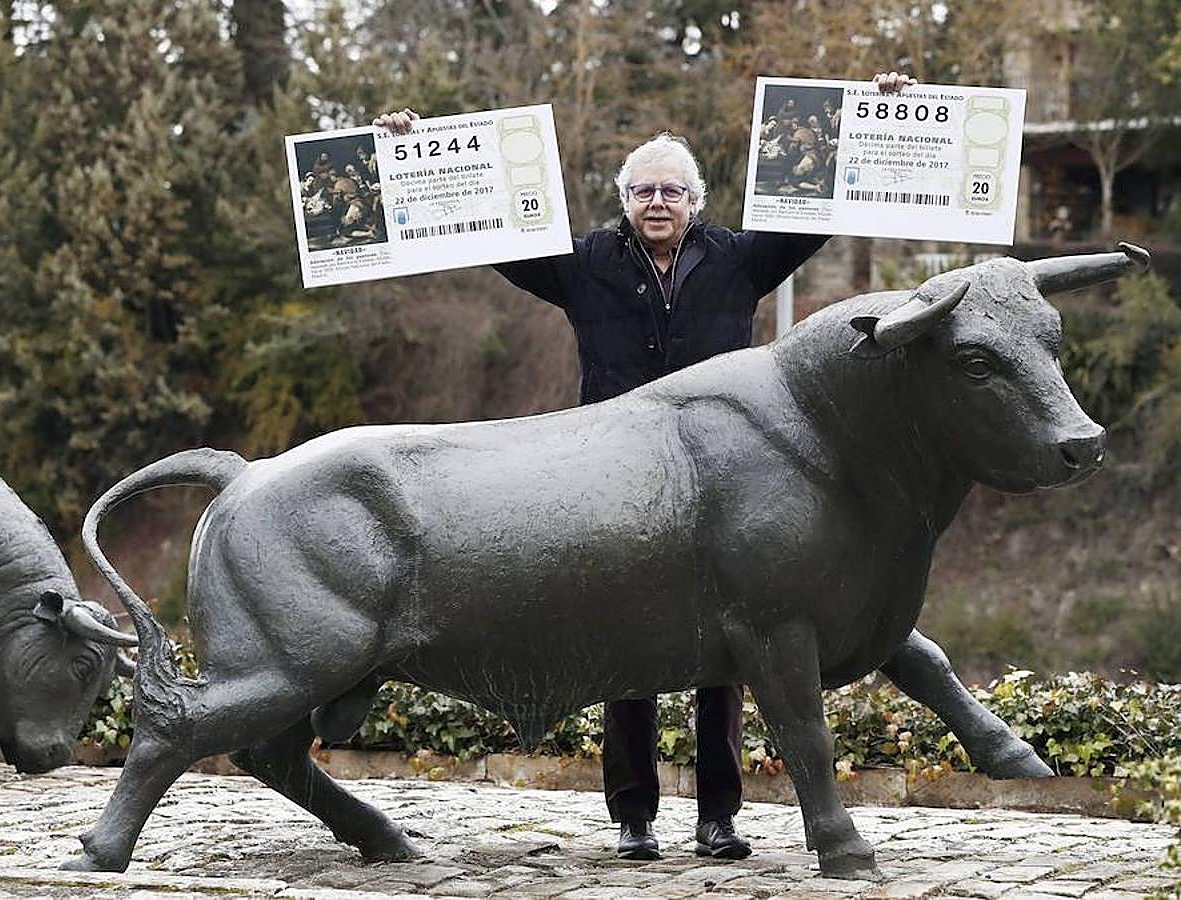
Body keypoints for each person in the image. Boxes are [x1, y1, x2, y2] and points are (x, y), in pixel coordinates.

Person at [372, 71, 915, 862]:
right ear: (623, 199)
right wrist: (411, 152)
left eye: (671, 191)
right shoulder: (586, 262)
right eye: (643, 191)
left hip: (724, 486)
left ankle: (719, 819)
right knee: (624, 654)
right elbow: (492, 235)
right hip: (619, 485)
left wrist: (875, 114)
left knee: (725, 667)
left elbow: (818, 213)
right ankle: (634, 819)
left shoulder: (739, 259)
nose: (657, 202)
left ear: (695, 200)